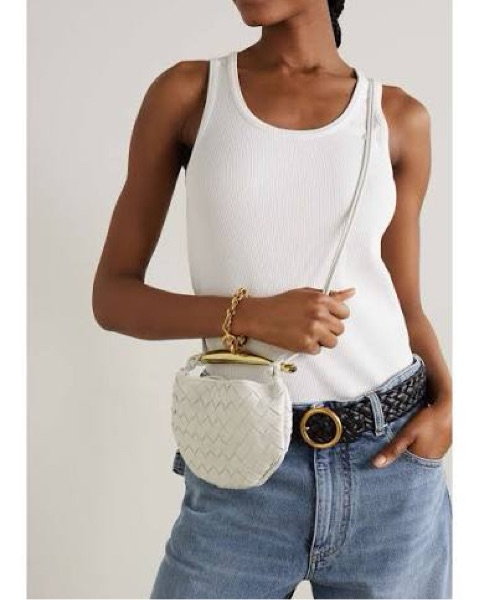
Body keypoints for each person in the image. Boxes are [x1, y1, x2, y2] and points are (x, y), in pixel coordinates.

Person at [92, 1, 452, 598]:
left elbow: (407, 305)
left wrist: (450, 404)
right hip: (242, 464)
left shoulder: (397, 116)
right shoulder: (190, 94)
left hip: (390, 466)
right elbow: (113, 296)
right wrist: (251, 316)